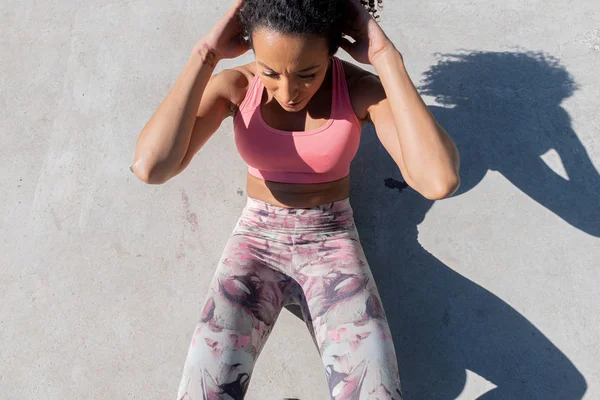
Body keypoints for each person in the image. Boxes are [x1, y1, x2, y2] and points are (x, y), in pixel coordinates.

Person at [132, 0, 460, 398]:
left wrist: (385, 58)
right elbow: (152, 166)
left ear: (333, 49)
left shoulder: (357, 91)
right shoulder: (238, 87)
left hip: (332, 243)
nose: (288, 92)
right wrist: (206, 55)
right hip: (256, 243)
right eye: (271, 72)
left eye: (308, 73)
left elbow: (438, 180)